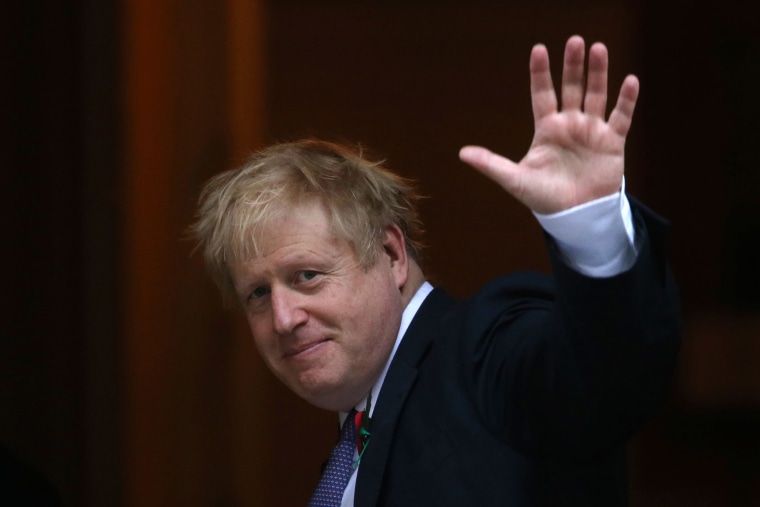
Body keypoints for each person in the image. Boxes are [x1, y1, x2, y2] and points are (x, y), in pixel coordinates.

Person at [191, 35, 680, 506]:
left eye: (307, 276)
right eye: (257, 293)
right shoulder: (359, 432)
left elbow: (607, 377)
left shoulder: (482, 354)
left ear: (392, 254)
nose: (283, 318)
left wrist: (589, 228)